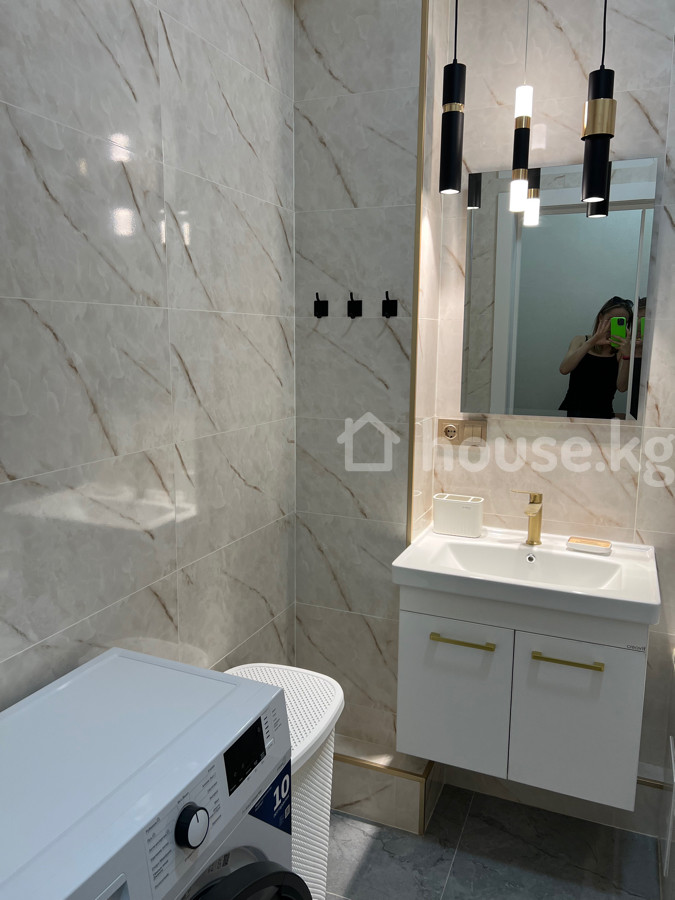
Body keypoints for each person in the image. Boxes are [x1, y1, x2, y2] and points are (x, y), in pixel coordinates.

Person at [558, 297, 634, 418]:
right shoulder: (580, 340)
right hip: (572, 412)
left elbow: (622, 387)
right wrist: (591, 342)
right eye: (611, 319)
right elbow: (564, 369)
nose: (613, 325)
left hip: (603, 415)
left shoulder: (621, 352)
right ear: (600, 317)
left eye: (622, 321)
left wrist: (627, 355)